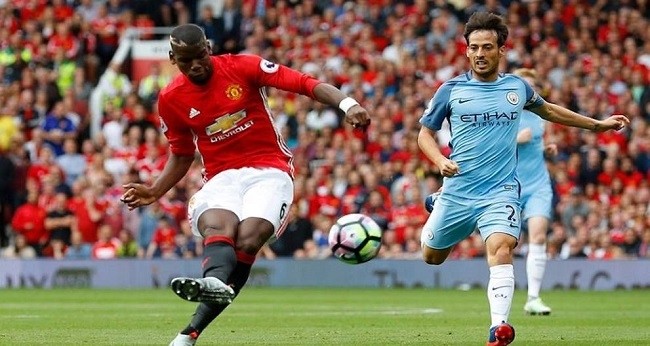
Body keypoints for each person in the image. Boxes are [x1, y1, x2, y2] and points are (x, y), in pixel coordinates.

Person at [120, 23, 370, 346]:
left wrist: (347, 104)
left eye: (199, 57)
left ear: (208, 49)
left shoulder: (242, 66)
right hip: (221, 177)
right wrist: (155, 190)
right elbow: (181, 155)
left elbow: (304, 83)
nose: (195, 65)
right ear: (172, 59)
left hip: (269, 170)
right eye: (186, 61)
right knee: (219, 225)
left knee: (248, 239)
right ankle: (199, 315)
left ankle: (194, 322)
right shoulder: (170, 98)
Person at [417, 12, 629, 346]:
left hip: (500, 192)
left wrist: (596, 124)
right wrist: (440, 159)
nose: (480, 53)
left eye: (488, 47)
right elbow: (424, 135)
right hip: (457, 192)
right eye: (474, 47)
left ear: (501, 50)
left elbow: (551, 111)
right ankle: (437, 203)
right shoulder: (450, 90)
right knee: (432, 256)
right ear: (466, 51)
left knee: (501, 249)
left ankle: (498, 328)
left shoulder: (517, 88)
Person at [512, 68, 555, 316]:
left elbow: (537, 145)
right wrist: (516, 139)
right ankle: (500, 294)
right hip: (509, 185)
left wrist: (547, 150)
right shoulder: (505, 114)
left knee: (538, 237)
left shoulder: (541, 116)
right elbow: (491, 146)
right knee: (507, 242)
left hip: (538, 184)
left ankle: (533, 298)